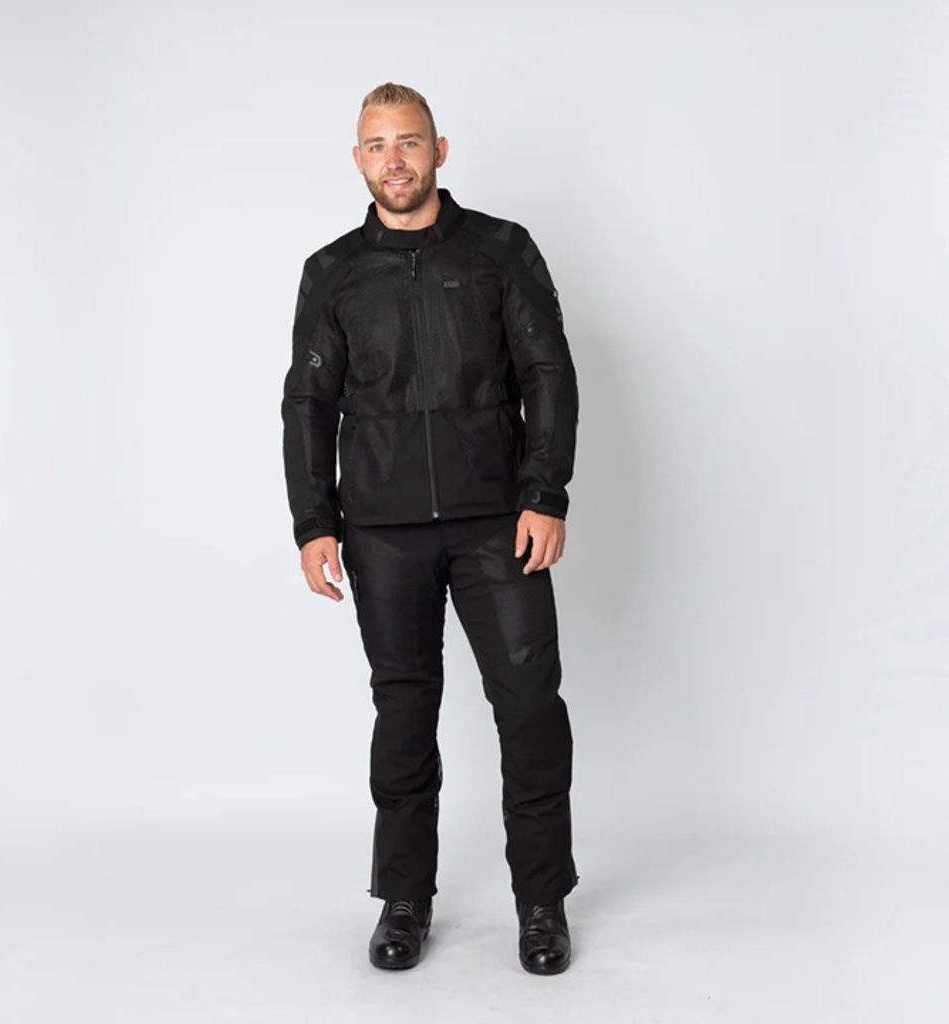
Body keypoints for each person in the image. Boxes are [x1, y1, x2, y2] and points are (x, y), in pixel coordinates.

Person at [281, 81, 580, 975]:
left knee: (529, 708)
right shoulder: (333, 272)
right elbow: (308, 402)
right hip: (382, 531)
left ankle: (541, 903)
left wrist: (545, 494)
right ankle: (404, 899)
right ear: (358, 160)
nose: (395, 160)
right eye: (378, 146)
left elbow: (548, 372)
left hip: (499, 525)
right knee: (404, 715)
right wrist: (314, 522)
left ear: (439, 150)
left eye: (409, 142)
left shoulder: (499, 249)